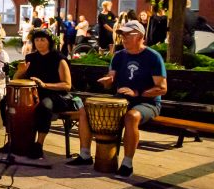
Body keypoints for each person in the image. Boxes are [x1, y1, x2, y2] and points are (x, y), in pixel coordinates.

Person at [67, 20, 167, 178]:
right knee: (85, 111)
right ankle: (85, 155)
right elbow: (111, 78)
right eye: (122, 35)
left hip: (147, 103)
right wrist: (108, 81)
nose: (124, 38)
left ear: (140, 36)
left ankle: (127, 164)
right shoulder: (119, 56)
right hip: (121, 100)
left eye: (128, 35)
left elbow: (162, 88)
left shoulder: (153, 57)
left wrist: (137, 92)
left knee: (131, 117)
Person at [12, 28, 84, 159]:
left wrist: (45, 85)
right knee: (10, 103)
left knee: (44, 107)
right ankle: (15, 141)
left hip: (55, 94)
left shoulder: (59, 59)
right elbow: (17, 79)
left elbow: (67, 85)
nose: (39, 43)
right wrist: (20, 72)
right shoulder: (31, 57)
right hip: (34, 94)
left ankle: (38, 145)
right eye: (37, 40)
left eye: (42, 40)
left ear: (49, 42)